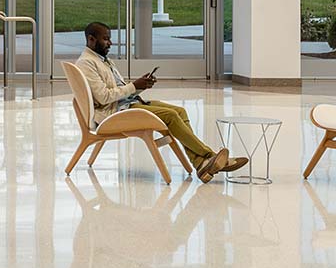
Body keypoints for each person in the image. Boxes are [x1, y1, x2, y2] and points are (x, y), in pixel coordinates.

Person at [72, 21, 245, 183]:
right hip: (115, 113)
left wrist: (140, 86)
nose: (110, 43)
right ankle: (209, 155)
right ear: (91, 39)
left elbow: (117, 90)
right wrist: (133, 86)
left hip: (127, 103)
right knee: (170, 116)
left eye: (110, 39)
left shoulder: (102, 60)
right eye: (106, 39)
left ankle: (201, 164)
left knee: (180, 111)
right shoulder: (87, 63)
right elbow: (104, 97)